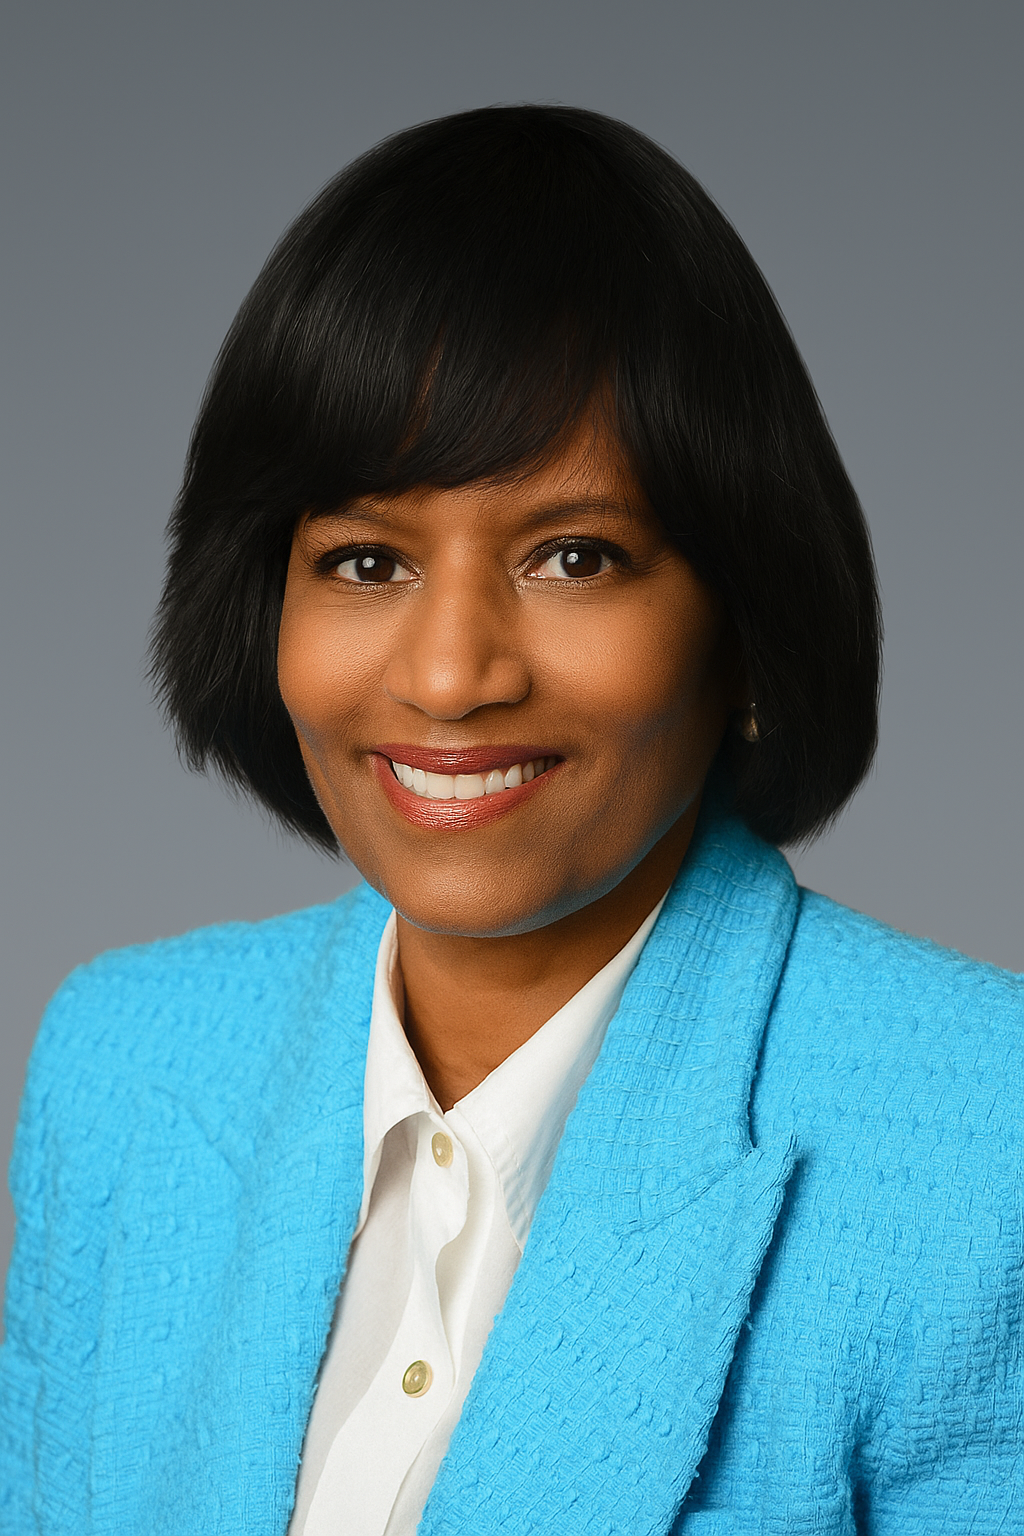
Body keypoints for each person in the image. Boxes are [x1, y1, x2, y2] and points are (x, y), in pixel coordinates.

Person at [1, 104, 1021, 1535]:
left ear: (742, 617)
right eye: (364, 560)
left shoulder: (985, 1142)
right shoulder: (120, 1068)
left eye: (573, 555)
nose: (449, 673)